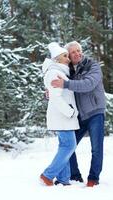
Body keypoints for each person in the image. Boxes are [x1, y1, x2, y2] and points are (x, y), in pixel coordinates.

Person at [51, 41, 106, 187]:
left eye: (79, 50)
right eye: (73, 52)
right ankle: (75, 176)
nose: (77, 53)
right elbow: (60, 89)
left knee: (96, 148)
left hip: (95, 112)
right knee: (69, 145)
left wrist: (66, 84)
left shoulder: (92, 66)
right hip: (79, 116)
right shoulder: (68, 70)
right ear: (68, 56)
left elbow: (88, 84)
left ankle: (93, 179)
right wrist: (51, 92)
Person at [40, 42, 79, 186]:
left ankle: (63, 179)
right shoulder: (53, 72)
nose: (68, 59)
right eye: (65, 56)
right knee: (69, 146)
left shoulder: (60, 71)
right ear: (56, 59)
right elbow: (56, 97)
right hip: (62, 116)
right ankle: (47, 175)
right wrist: (70, 112)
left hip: (64, 117)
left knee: (66, 146)